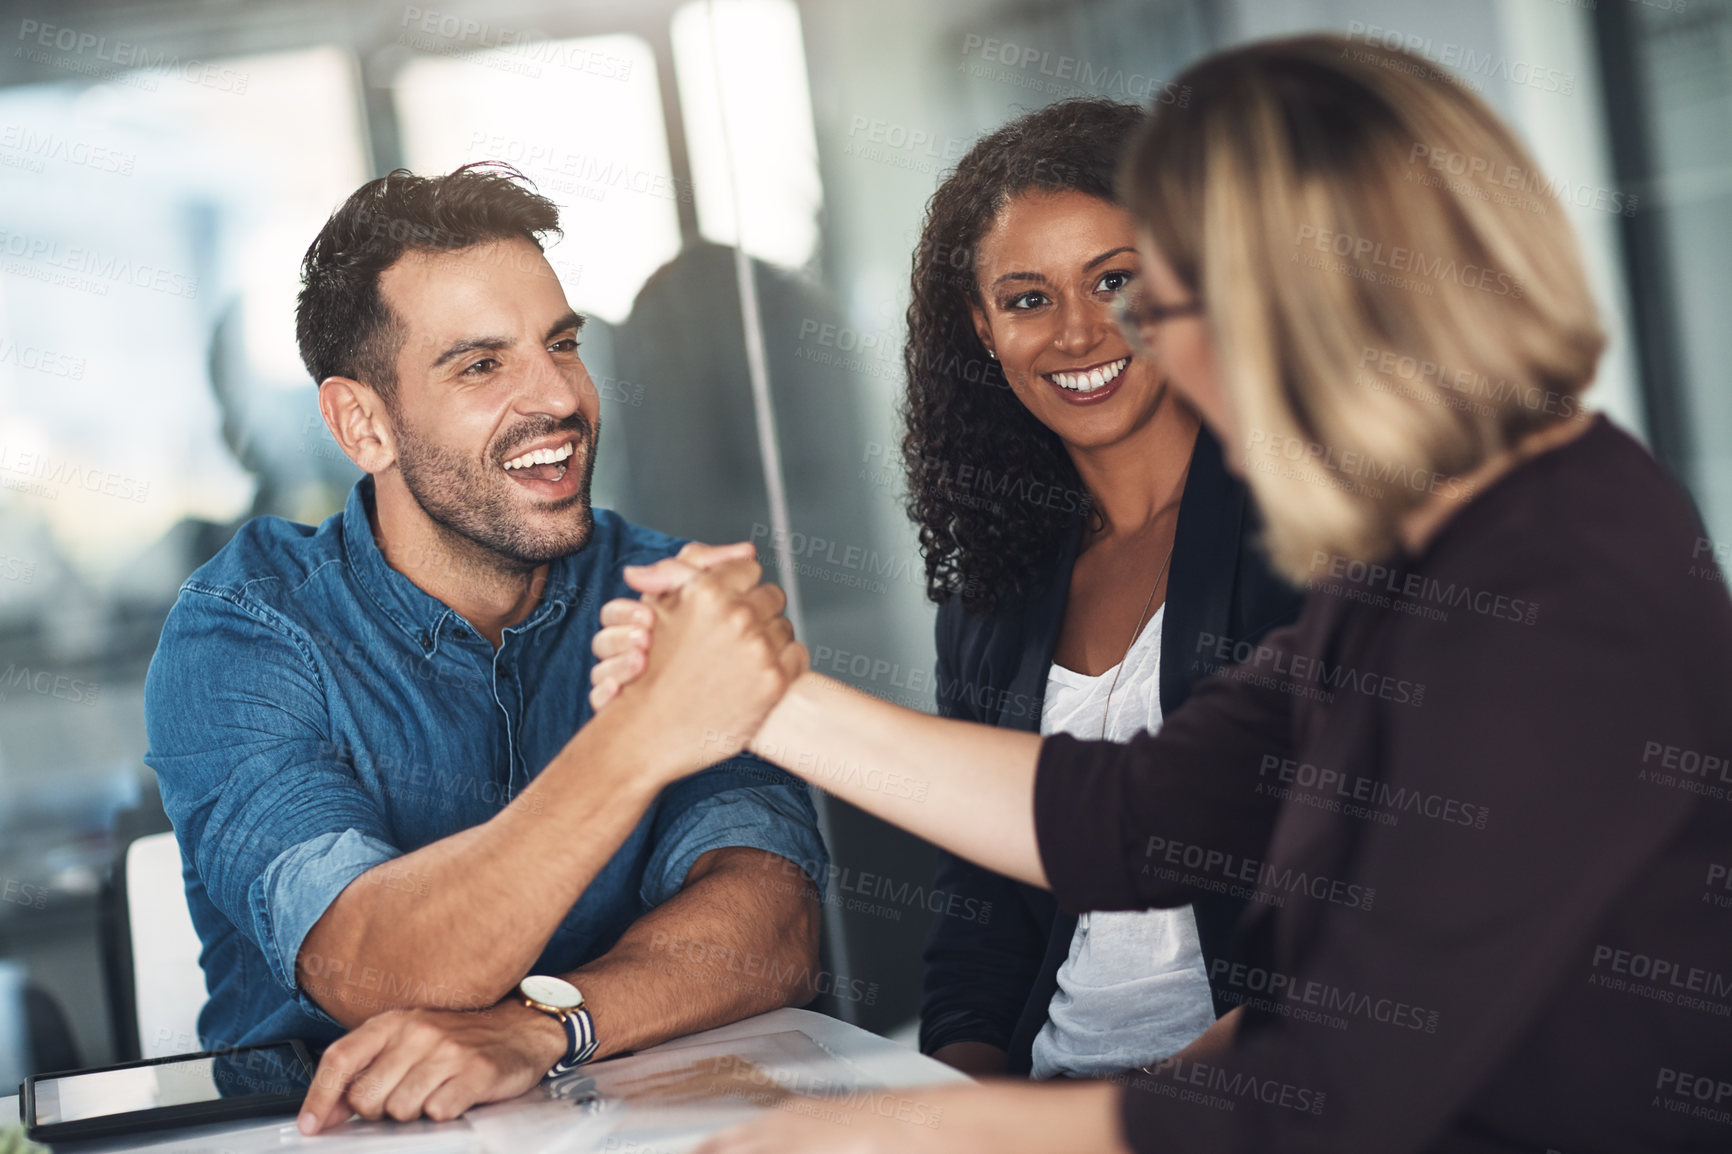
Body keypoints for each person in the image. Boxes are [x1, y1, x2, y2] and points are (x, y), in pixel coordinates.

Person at [587, 35, 1732, 1154]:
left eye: (1165, 305)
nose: (1158, 355)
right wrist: (756, 694)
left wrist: (928, 1126)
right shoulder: (1420, 558)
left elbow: (1329, 1092)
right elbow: (1135, 813)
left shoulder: (1553, 582)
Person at [142, 164, 829, 1134]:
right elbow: (378, 964)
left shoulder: (663, 588)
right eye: (480, 365)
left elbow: (776, 923)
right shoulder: (246, 629)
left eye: (562, 345)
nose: (557, 397)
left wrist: (543, 1026)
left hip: (632, 1122)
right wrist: (645, 732)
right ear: (362, 423)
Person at [898, 99, 1300, 1080]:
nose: (1078, 333)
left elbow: (1374, 904)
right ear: (982, 327)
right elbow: (980, 906)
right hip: (1055, 1090)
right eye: (1028, 298)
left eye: (1115, 281)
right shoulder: (992, 586)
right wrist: (981, 1107)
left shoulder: (1308, 525)